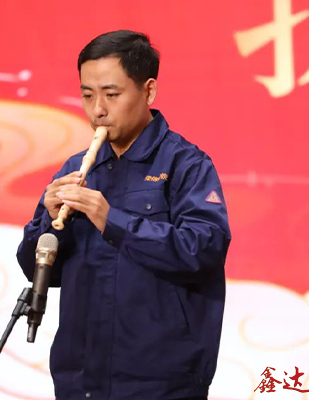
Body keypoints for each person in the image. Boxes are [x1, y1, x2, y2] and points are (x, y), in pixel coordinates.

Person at [16, 30, 231, 400]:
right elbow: (36, 271)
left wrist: (111, 219)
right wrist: (47, 223)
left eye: (111, 95)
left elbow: (203, 249)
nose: (97, 109)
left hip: (162, 383)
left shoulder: (186, 164)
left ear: (148, 91)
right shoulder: (74, 169)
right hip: (80, 381)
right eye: (87, 95)